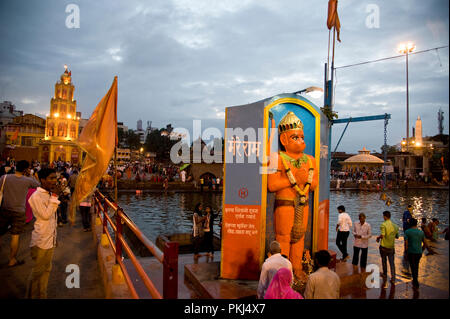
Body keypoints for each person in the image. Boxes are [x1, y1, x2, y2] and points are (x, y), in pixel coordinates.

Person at [26, 168, 60, 299]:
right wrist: (55, 197)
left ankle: (42, 294)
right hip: (40, 241)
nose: (54, 181)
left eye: (55, 178)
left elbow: (53, 219)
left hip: (49, 239)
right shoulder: (36, 196)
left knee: (47, 270)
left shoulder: (49, 195)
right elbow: (46, 216)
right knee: (37, 272)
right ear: (42, 180)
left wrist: (54, 237)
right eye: (51, 178)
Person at [0, 160, 40, 267]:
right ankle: (12, 259)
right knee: (15, 235)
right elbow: (38, 185)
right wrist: (31, 174)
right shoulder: (27, 180)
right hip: (19, 211)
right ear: (26, 169)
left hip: (5, 208)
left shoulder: (4, 178)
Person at [404, 218, 431, 289]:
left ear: (410, 224)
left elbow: (406, 244)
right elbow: (425, 243)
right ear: (416, 224)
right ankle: (415, 279)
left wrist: (406, 253)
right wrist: (422, 249)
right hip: (418, 252)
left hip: (410, 252)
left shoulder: (407, 232)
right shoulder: (421, 232)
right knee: (416, 265)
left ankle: (415, 279)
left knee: (412, 266)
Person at [376, 210, 399, 288]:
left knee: (384, 260)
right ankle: (393, 278)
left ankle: (385, 274)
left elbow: (382, 235)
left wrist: (378, 238)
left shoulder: (383, 225)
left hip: (384, 246)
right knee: (392, 263)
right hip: (391, 247)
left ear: (385, 216)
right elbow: (397, 236)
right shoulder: (395, 226)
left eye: (383, 216)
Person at [401, 205, 414, 275]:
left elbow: (403, 219)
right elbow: (409, 221)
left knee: (405, 238)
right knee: (408, 238)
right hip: (407, 227)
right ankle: (407, 248)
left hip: (404, 226)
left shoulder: (405, 212)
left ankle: (405, 246)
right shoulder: (409, 214)